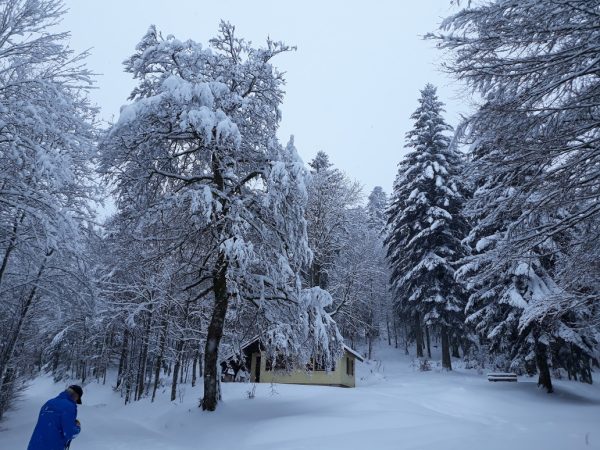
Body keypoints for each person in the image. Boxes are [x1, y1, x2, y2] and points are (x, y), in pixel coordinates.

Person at [27, 385, 83, 450]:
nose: (76, 402)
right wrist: (77, 427)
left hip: (34, 445)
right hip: (53, 447)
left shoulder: (49, 402)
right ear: (75, 395)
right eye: (77, 399)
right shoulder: (69, 406)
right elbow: (69, 433)